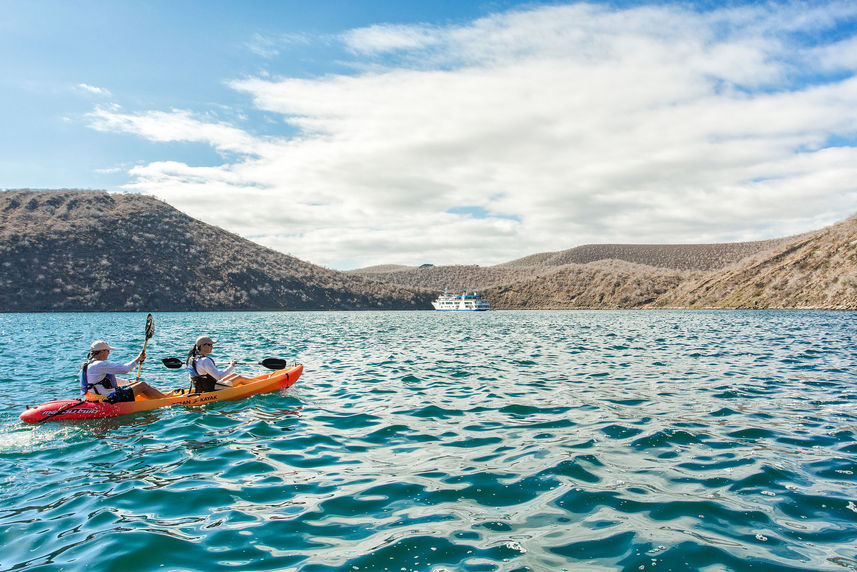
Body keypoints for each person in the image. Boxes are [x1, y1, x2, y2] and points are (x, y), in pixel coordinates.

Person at [80, 340, 166, 401]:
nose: (109, 353)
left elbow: (107, 380)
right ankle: (167, 400)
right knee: (142, 385)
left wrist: (129, 382)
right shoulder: (100, 364)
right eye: (107, 351)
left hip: (93, 397)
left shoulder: (87, 365)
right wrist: (138, 359)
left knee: (136, 384)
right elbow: (125, 369)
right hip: (107, 398)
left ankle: (158, 396)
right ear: (102, 351)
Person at [186, 336, 253, 392]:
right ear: (202, 346)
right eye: (210, 345)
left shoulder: (192, 359)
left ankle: (260, 382)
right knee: (240, 378)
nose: (212, 347)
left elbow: (191, 377)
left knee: (234, 375)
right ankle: (262, 384)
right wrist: (231, 366)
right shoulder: (205, 360)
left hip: (203, 387)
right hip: (213, 388)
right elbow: (219, 377)